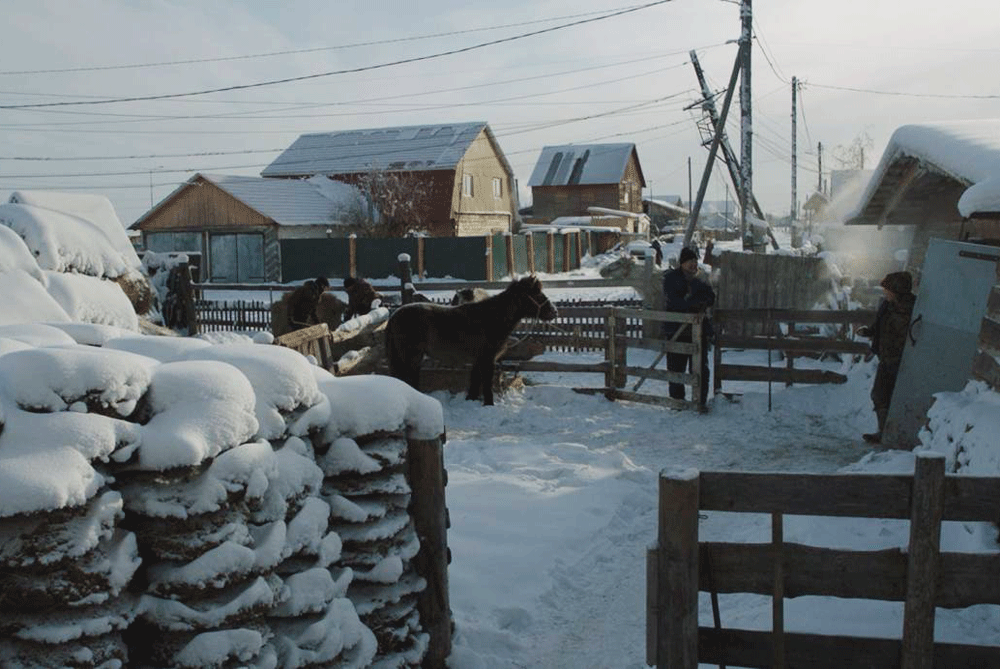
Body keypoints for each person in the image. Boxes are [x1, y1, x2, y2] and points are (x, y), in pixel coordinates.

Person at [856, 271, 916, 444]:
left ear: (897, 290)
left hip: (902, 361)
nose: (885, 293)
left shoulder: (911, 308)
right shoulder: (887, 306)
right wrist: (870, 332)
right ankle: (884, 432)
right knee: (880, 395)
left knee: (888, 396)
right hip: (887, 358)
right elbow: (880, 326)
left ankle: (891, 434)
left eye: (888, 290)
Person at [662, 247, 715, 405]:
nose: (693, 264)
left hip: (699, 332)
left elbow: (710, 297)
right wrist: (694, 303)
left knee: (700, 369)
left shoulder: (702, 277)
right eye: (689, 261)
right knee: (675, 367)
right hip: (676, 330)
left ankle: (700, 401)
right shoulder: (671, 278)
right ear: (682, 263)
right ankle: (677, 401)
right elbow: (674, 301)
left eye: (695, 260)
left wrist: (698, 301)